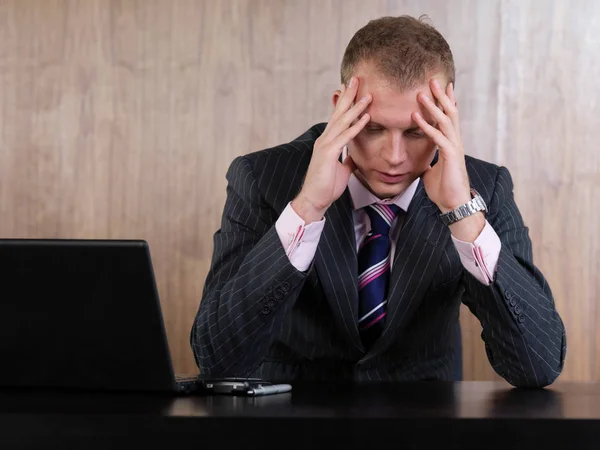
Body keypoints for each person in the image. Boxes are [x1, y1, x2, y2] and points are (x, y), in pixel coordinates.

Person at [190, 15, 566, 387]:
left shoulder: (486, 188)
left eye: (417, 132)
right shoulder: (261, 179)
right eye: (372, 128)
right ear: (341, 108)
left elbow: (538, 365)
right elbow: (217, 360)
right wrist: (307, 209)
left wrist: (463, 216)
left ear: (447, 116)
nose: (394, 156)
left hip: (426, 430)